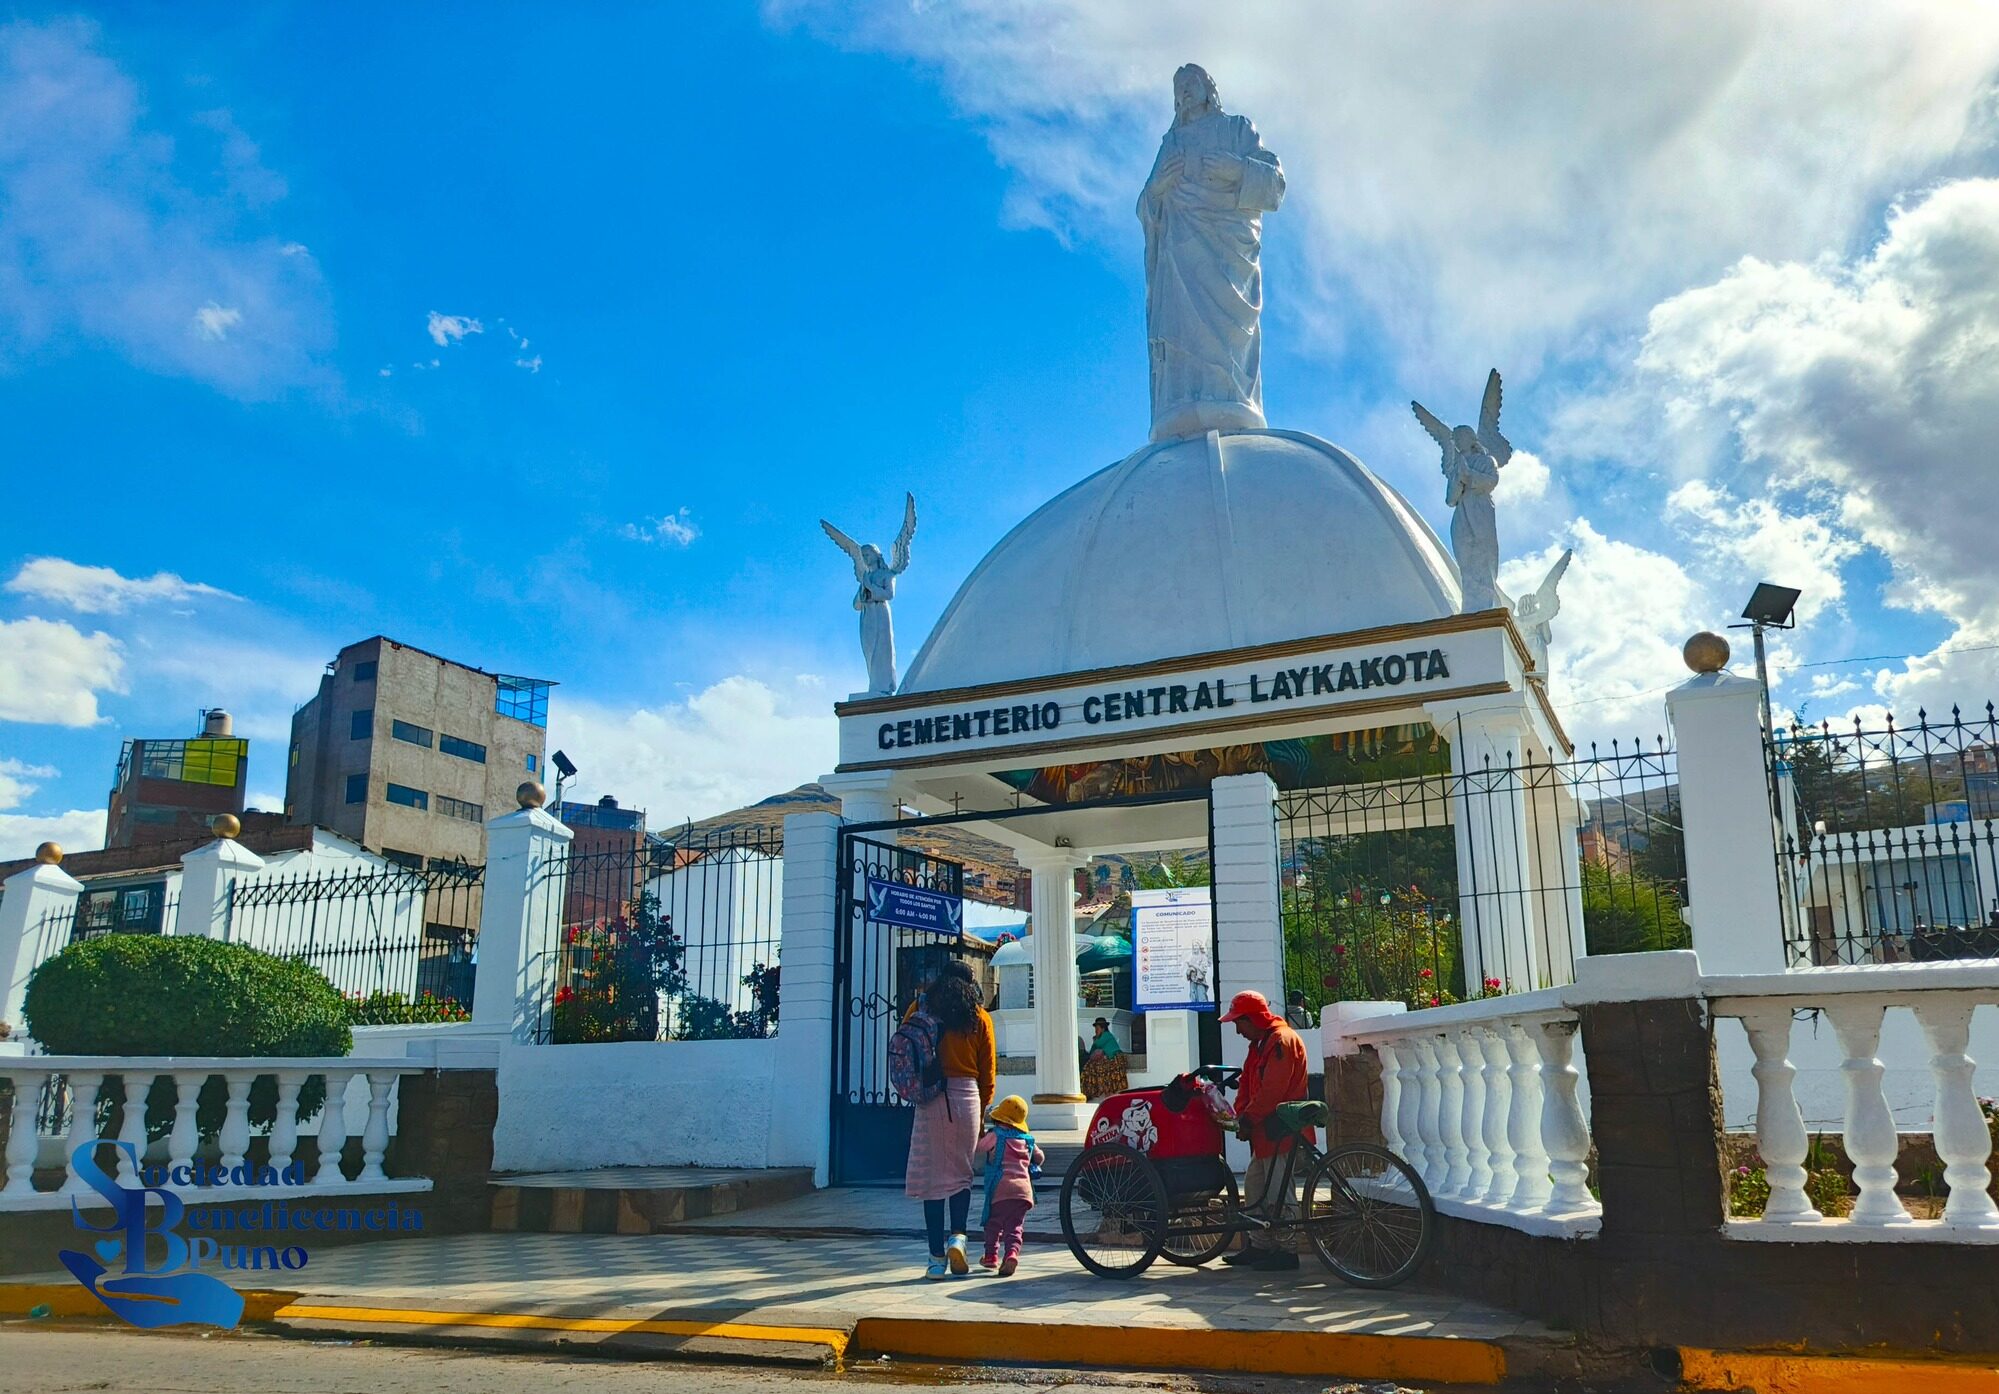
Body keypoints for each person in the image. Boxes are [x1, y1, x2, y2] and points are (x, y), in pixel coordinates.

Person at [903, 960, 996, 1279]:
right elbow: (988, 1073)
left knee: (932, 1180)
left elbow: (906, 1047)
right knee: (960, 1174)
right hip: (967, 1097)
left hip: (931, 1096)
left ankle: (934, 1258)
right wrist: (982, 1112)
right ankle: (958, 1237)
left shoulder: (922, 1006)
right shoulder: (979, 1017)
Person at [1219, 989, 1312, 1271]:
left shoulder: (1281, 1041)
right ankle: (1260, 1245)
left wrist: (1247, 1120)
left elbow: (1272, 1091)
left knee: (1279, 1193)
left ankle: (1287, 1249)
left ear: (1252, 1019)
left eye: (1239, 1023)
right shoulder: (1260, 1044)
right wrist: (1240, 1116)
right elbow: (1247, 1084)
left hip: (1282, 1130)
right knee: (1256, 1187)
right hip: (1265, 1132)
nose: (1237, 1031)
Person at [975, 1094, 1044, 1277]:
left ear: (998, 1118)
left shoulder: (995, 1136)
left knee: (993, 1223)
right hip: (1023, 1192)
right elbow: (1040, 1157)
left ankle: (990, 1256)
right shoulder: (1027, 1139)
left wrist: (979, 1130)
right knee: (1015, 1226)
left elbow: (979, 1147)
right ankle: (1011, 1254)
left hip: (1000, 1188)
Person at [1081, 1016, 1129, 1099]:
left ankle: (1107, 1091)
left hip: (1113, 1059)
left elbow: (1098, 1044)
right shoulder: (1099, 1038)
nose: (1096, 1030)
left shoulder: (1107, 1035)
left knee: (1104, 1071)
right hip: (1107, 1058)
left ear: (1103, 1029)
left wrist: (1095, 1040)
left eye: (1097, 1028)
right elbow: (1093, 1050)